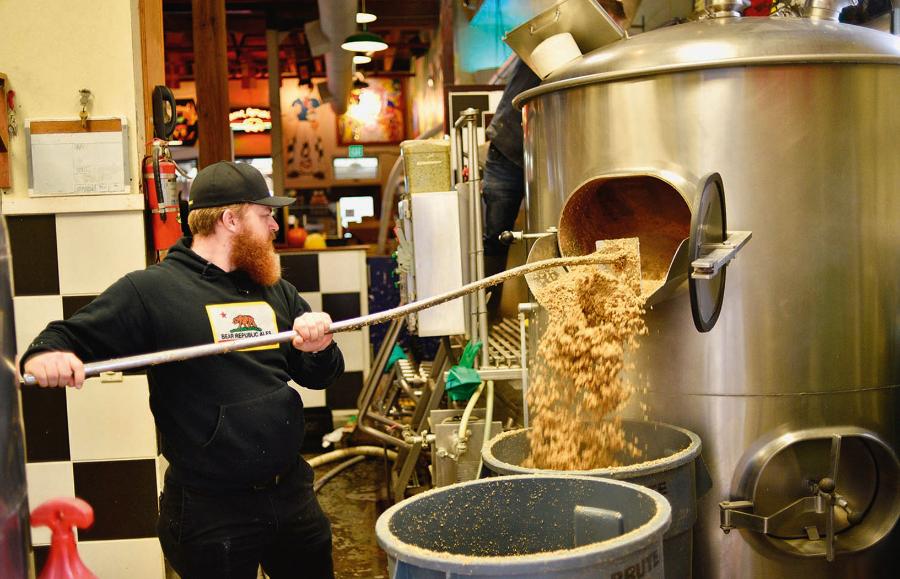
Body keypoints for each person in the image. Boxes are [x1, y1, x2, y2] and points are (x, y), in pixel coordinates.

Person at [21, 161, 344, 579]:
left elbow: (320, 375)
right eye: (264, 216)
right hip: (211, 511)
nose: (274, 227)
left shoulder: (273, 288)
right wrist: (45, 354)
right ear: (231, 219)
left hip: (291, 494)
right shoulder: (153, 290)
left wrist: (320, 347)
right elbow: (64, 336)